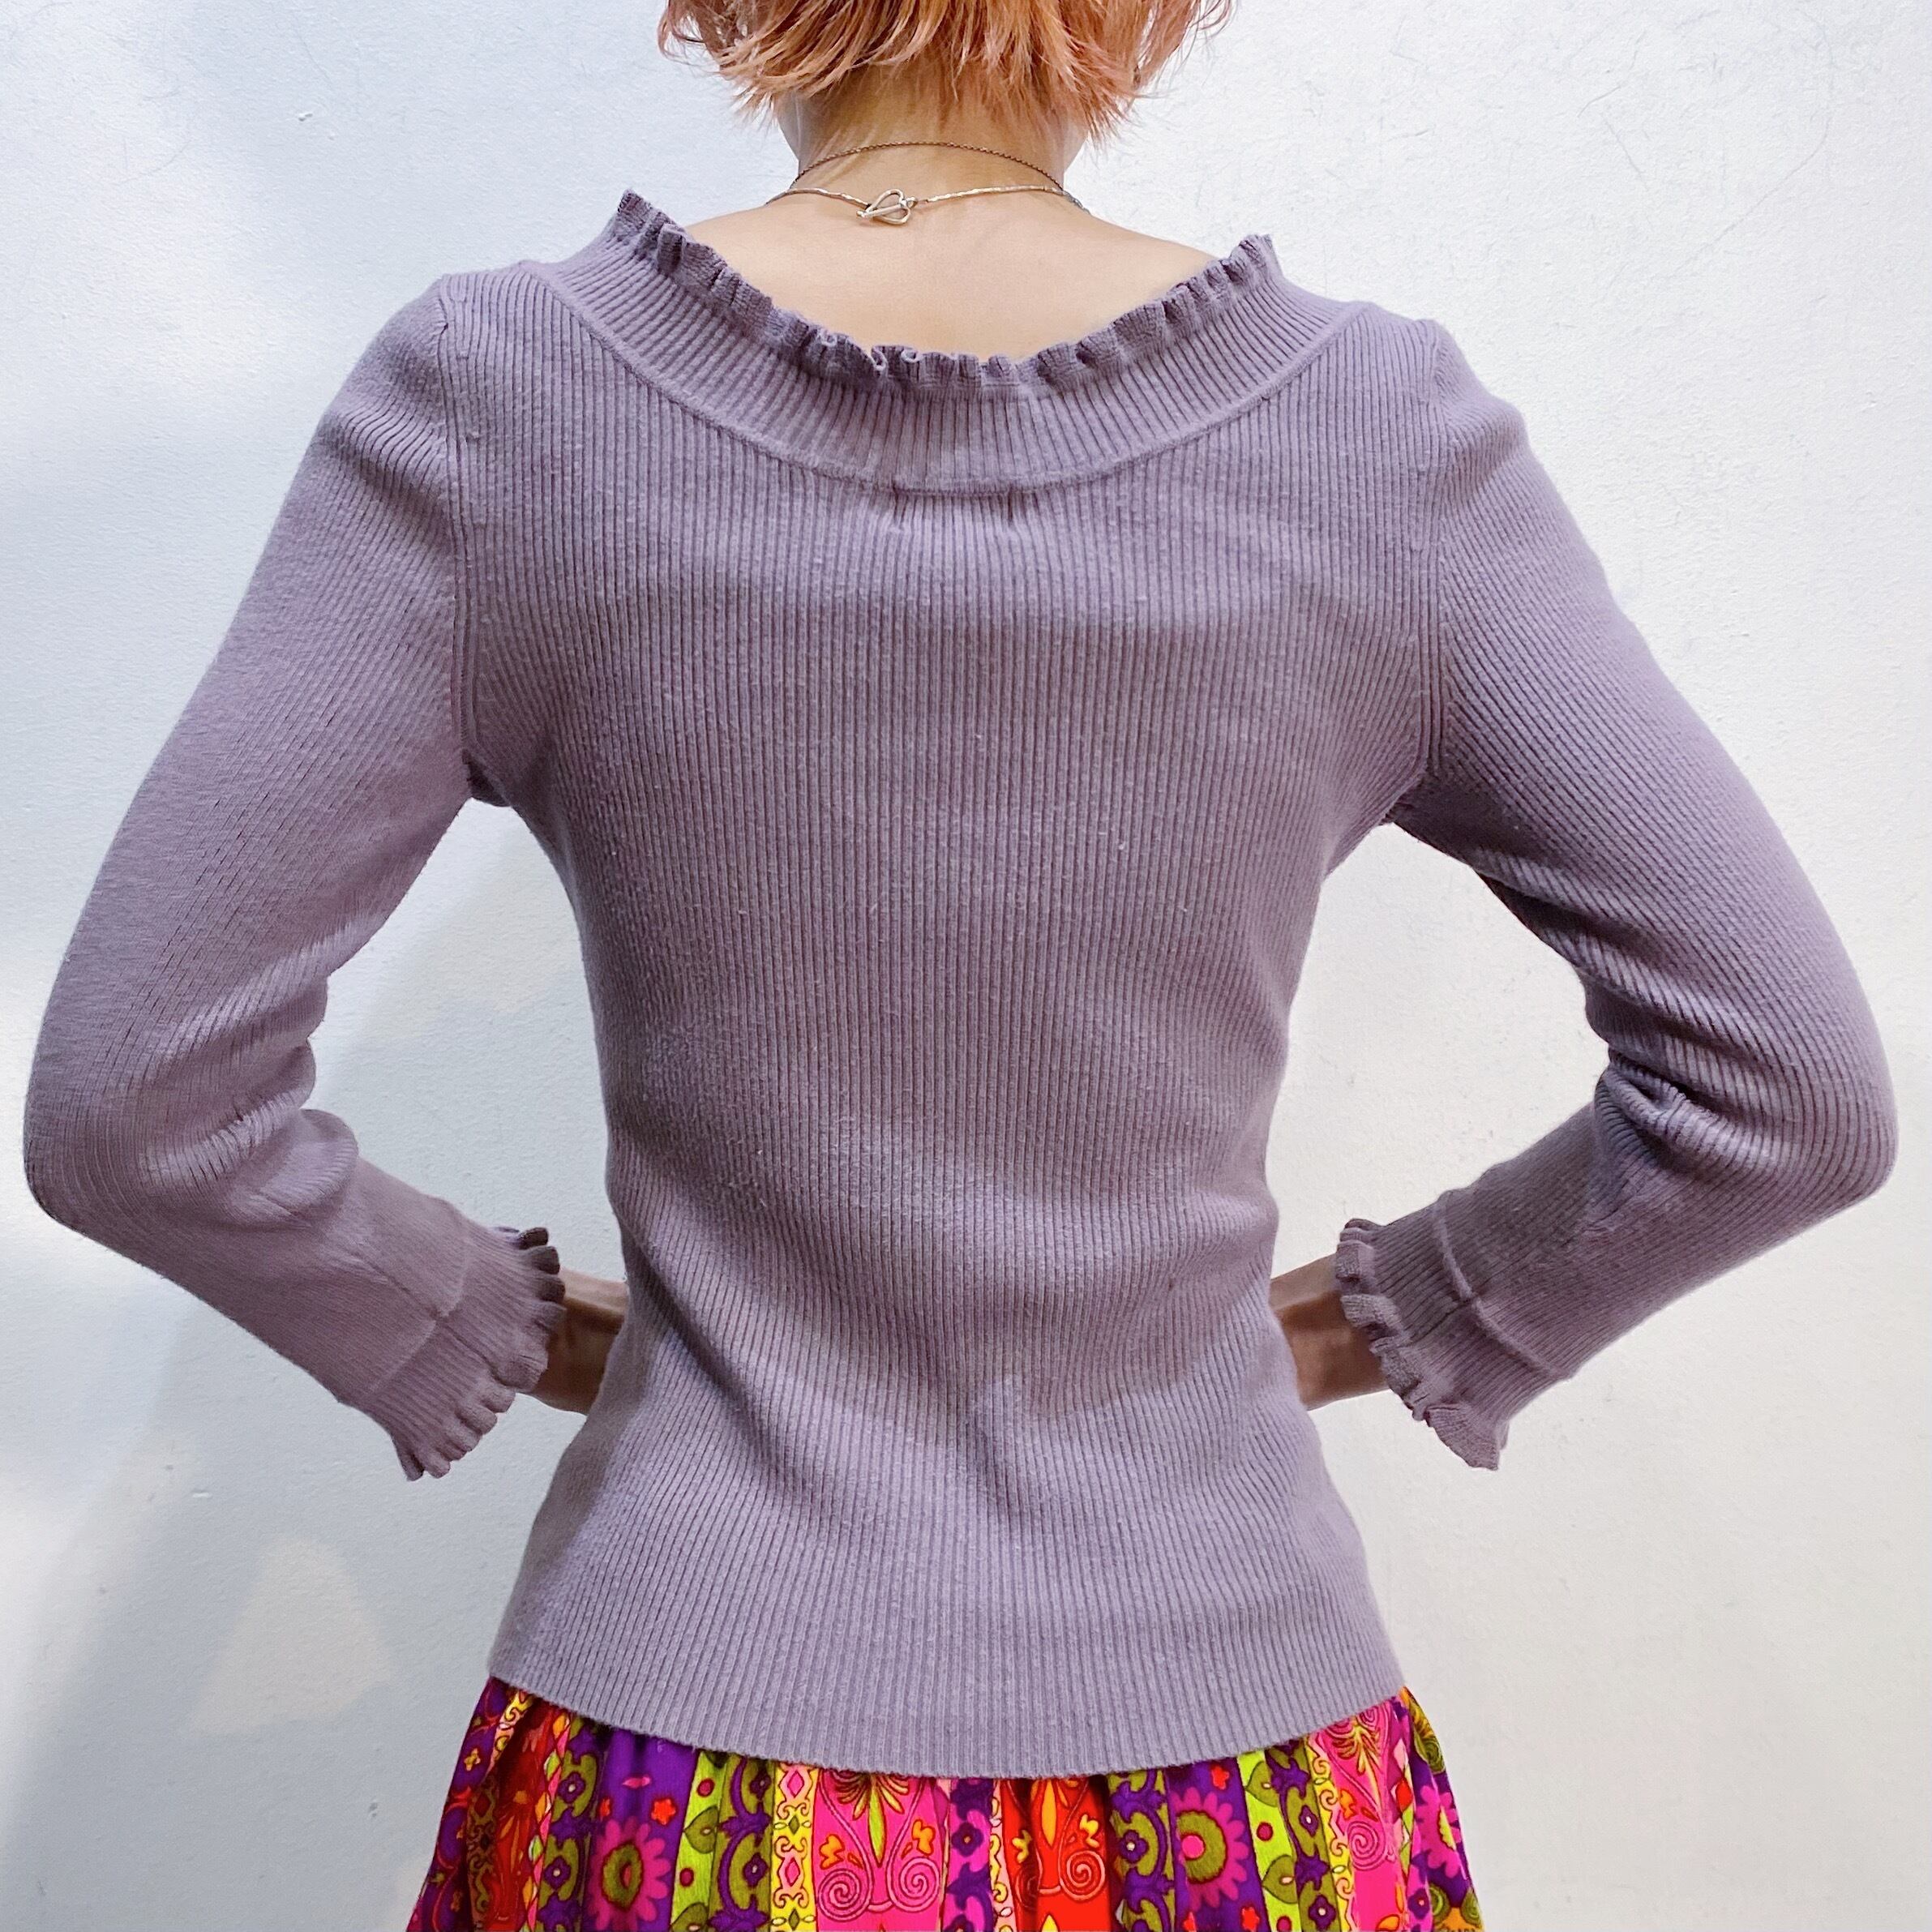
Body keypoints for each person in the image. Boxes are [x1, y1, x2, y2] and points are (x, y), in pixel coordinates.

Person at [21, 0, 1899, 1926]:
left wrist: (483, 1321)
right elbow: (1784, 1095)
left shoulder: (503, 406)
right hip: (1245, 1789)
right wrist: (1382, 1316)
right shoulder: (1377, 444)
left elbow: (136, 1107)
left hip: (690, 1786)